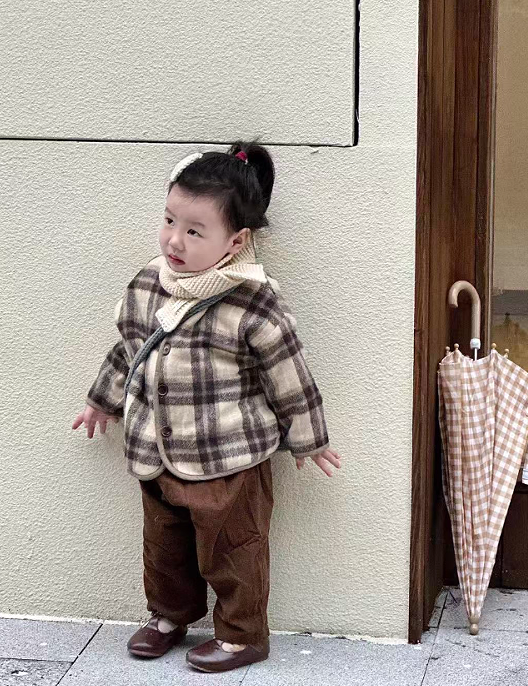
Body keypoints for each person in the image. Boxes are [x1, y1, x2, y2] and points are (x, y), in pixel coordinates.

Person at [72, 138, 342, 673]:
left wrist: (309, 440)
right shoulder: (149, 283)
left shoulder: (252, 301)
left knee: (234, 551)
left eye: (194, 231)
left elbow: (289, 374)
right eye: (169, 221)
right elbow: (129, 351)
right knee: (163, 547)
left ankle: (243, 636)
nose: (175, 239)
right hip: (156, 452)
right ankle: (169, 616)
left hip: (230, 460)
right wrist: (102, 401)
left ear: (235, 240)